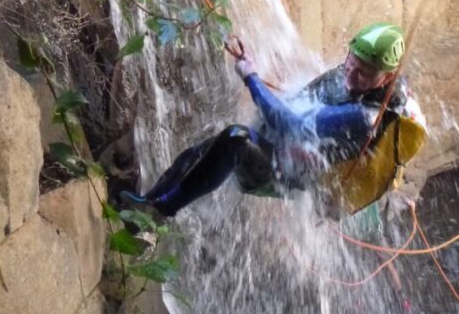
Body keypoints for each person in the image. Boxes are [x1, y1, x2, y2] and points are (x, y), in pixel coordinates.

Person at [121, 22, 427, 218]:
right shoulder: (353, 81)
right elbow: (303, 105)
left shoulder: (366, 118)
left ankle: (160, 212)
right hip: (295, 151)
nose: (352, 73)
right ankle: (146, 201)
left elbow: (292, 126)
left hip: (295, 175)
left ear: (387, 77)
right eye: (351, 62)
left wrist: (251, 78)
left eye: (364, 72)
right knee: (201, 152)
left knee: (235, 141)